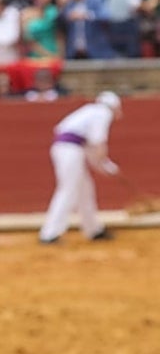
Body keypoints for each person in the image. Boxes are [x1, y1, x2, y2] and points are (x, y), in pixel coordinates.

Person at [40, 91, 122, 244]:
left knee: (85, 190)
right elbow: (98, 145)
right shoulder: (103, 113)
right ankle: (49, 234)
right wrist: (107, 165)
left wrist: (105, 166)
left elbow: (91, 150)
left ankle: (93, 230)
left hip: (68, 149)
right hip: (69, 151)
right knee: (68, 190)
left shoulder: (90, 111)